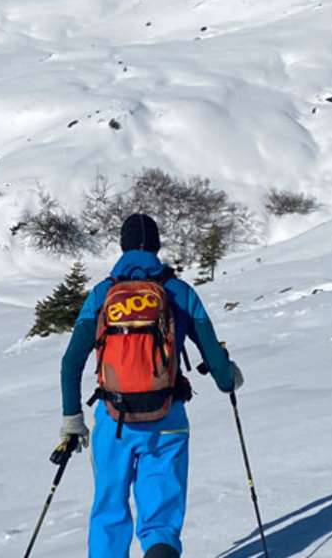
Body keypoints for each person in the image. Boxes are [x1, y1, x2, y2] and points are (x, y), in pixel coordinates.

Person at [56, 213, 243, 558]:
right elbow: (214, 357)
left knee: (110, 508)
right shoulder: (179, 292)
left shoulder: (103, 293)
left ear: (123, 246)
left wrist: (72, 419)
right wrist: (228, 378)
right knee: (160, 520)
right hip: (168, 418)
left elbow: (71, 362)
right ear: (156, 247)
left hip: (113, 421)